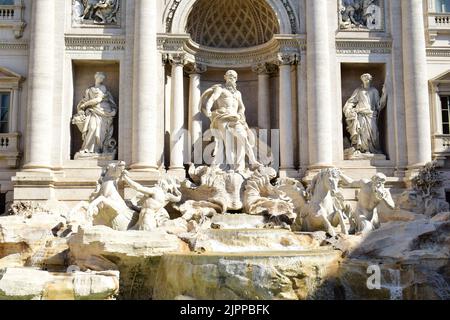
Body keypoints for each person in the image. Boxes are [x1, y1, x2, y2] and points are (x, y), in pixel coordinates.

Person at [201, 70, 262, 172]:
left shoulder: (238, 93)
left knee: (243, 138)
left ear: (236, 79)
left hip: (236, 118)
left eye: (233, 76)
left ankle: (251, 161)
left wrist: (240, 114)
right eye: (229, 76)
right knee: (229, 143)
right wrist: (207, 110)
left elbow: (242, 107)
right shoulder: (220, 89)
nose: (231, 78)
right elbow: (212, 99)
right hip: (223, 117)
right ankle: (232, 167)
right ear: (225, 77)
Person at [73, 72, 117, 155]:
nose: (101, 80)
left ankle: (98, 150)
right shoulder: (89, 90)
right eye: (100, 78)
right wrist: (81, 108)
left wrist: (85, 104)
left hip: (103, 112)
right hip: (93, 111)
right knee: (92, 128)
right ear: (96, 78)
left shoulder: (102, 88)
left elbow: (98, 100)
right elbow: (84, 100)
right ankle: (86, 149)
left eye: (102, 79)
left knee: (100, 131)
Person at [343, 73, 386, 154]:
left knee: (374, 134)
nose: (367, 81)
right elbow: (351, 101)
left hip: (371, 114)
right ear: (362, 80)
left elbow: (378, 105)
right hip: (361, 114)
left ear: (370, 80)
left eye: (368, 79)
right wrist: (349, 109)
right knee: (362, 132)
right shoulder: (358, 91)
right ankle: (363, 150)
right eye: (365, 79)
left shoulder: (374, 91)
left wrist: (384, 94)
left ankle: (372, 150)